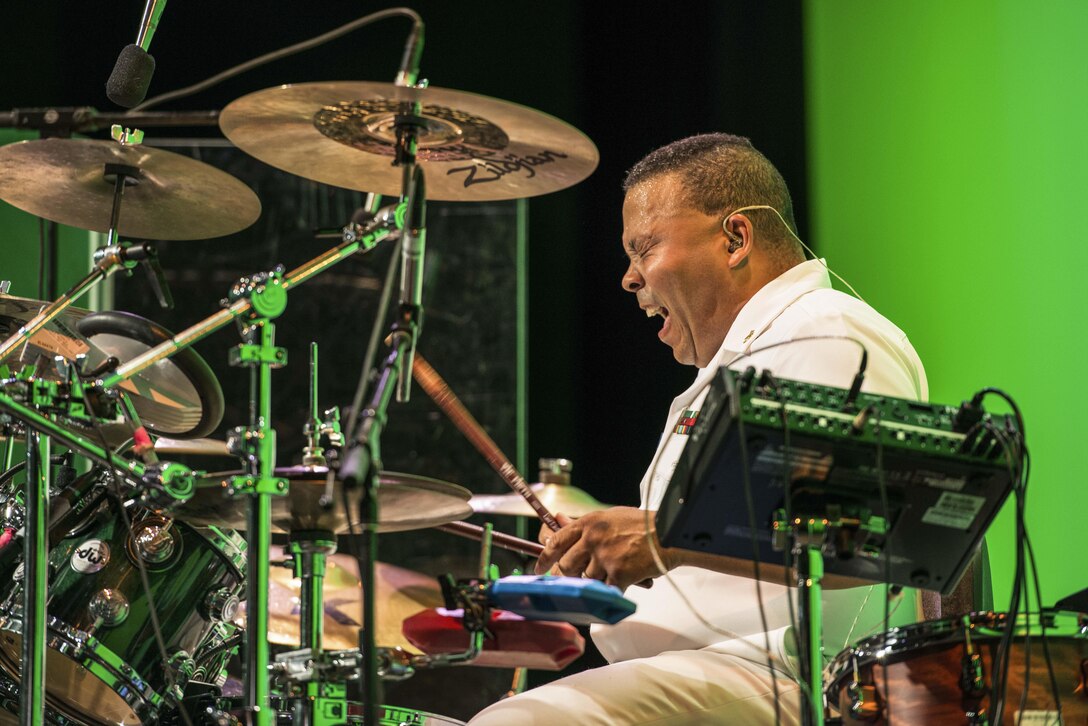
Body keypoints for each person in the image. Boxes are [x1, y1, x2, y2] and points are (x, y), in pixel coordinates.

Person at [469, 133, 928, 725]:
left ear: (735, 238)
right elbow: (723, 560)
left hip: (799, 682)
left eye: (645, 248)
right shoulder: (747, 359)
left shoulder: (826, 332)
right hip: (710, 672)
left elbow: (866, 536)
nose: (629, 279)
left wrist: (660, 539)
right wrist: (602, 564)